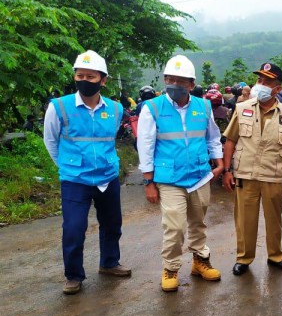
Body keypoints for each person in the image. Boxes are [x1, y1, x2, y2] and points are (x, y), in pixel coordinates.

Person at [43, 50, 131, 295]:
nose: (84, 80)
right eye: (80, 75)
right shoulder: (59, 106)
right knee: (73, 227)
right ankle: (73, 276)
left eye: (91, 77)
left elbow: (109, 139)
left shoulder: (115, 109)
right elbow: (50, 141)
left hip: (107, 177)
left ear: (103, 80)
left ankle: (110, 263)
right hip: (74, 180)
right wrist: (66, 166)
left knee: (112, 224)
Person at [137, 55, 224, 292]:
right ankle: (171, 268)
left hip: (199, 175)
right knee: (174, 226)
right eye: (170, 79)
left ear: (191, 83)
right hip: (169, 179)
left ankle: (200, 262)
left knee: (198, 223)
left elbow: (213, 137)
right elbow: (145, 145)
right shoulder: (152, 108)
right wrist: (148, 181)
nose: (175, 84)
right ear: (165, 79)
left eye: (181, 80)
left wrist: (219, 162)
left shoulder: (203, 106)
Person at [222, 62, 282, 276]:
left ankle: (276, 256)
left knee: (274, 220)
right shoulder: (242, 108)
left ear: (277, 88)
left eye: (266, 81)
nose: (260, 84)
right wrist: (227, 170)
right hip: (245, 174)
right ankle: (244, 258)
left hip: (272, 176)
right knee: (245, 221)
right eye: (259, 80)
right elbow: (230, 140)